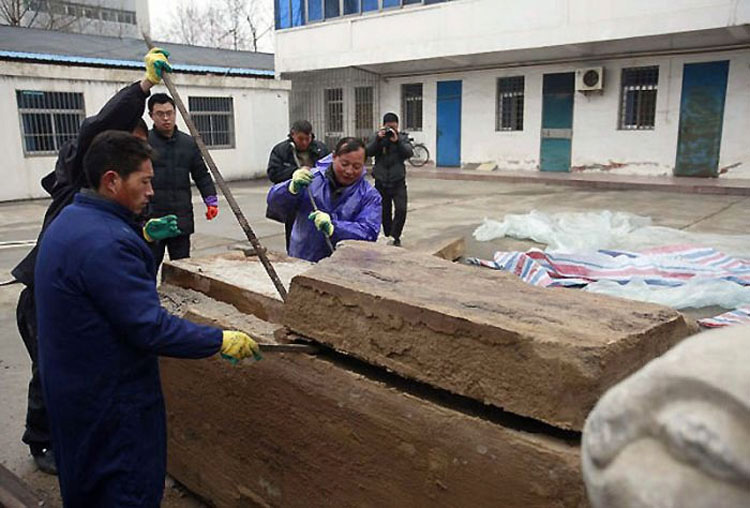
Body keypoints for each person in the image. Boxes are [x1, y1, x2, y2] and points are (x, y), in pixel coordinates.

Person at [35, 130, 261, 507]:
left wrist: (140, 235)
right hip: (111, 399)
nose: (152, 191)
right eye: (145, 181)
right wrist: (218, 339)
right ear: (111, 181)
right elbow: (148, 327)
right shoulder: (106, 243)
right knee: (126, 489)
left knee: (87, 485)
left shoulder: (72, 220)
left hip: (73, 391)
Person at [10, 47, 178, 475]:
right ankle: (42, 441)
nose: (142, 171)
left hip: (67, 292)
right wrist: (144, 86)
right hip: (42, 297)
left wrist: (143, 235)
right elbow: (98, 125)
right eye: (132, 157)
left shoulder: (108, 209)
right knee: (50, 370)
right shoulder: (78, 181)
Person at [266, 137, 381, 262]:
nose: (349, 171)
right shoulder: (311, 180)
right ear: (333, 157)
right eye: (344, 164)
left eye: (356, 166)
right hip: (302, 260)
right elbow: (275, 206)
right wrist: (290, 189)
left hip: (346, 266)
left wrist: (335, 227)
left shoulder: (369, 195)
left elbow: (369, 232)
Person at [147, 93, 219, 267]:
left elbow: (202, 175)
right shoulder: (144, 142)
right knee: (148, 266)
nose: (166, 118)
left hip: (180, 217)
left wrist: (211, 201)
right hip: (152, 219)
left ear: (175, 113)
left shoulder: (188, 143)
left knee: (182, 267)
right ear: (151, 116)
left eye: (169, 112)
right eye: (160, 113)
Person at [267, 120, 331, 252]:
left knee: (319, 233)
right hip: (293, 200)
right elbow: (273, 173)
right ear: (293, 134)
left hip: (318, 198)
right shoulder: (281, 150)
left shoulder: (320, 149)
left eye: (307, 139)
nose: (304, 143)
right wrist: (294, 173)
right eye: (300, 139)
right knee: (294, 234)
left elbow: (330, 170)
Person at [366, 112, 413, 247]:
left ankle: (395, 235)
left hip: (398, 181)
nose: (390, 130)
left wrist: (397, 141)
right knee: (384, 212)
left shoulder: (402, 138)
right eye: (388, 127)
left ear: (397, 126)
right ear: (383, 126)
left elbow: (409, 153)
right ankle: (388, 236)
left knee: (401, 209)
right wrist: (377, 139)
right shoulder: (378, 137)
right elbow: (368, 151)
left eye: (393, 127)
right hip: (381, 181)